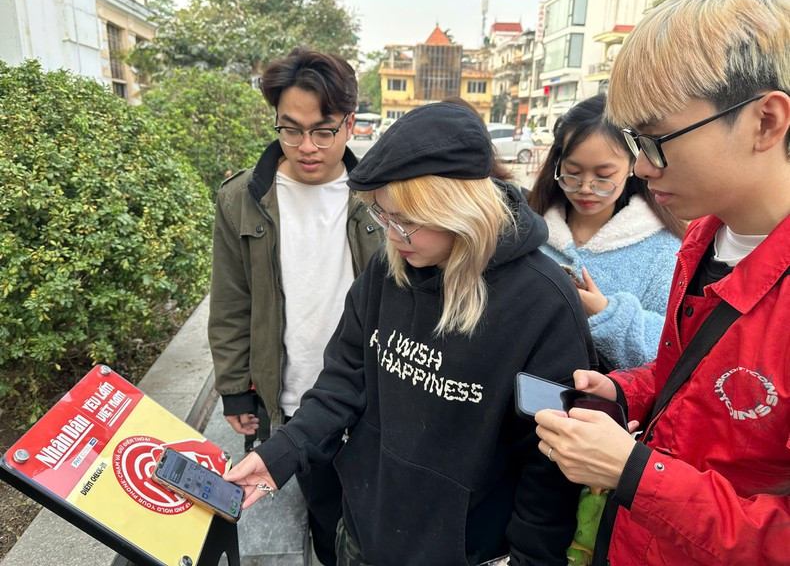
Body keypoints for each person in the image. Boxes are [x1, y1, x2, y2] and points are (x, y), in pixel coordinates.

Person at [224, 102, 598, 565]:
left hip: (468, 549)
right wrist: (280, 455)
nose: (394, 236)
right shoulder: (389, 268)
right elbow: (343, 381)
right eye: (383, 216)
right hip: (365, 526)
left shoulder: (544, 303)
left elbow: (549, 465)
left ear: (460, 209)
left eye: (408, 220)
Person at [535, 0, 790, 564]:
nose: (642, 168)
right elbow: (684, 377)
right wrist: (625, 393)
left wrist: (633, 473)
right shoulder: (704, 236)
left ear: (766, 122)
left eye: (654, 140)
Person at [208, 47, 383, 565]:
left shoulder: (382, 195)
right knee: (325, 515)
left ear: (350, 123)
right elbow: (232, 299)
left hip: (373, 394)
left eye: (323, 130)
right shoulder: (243, 197)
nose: (307, 146)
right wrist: (236, 388)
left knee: (378, 518)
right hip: (291, 399)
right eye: (291, 129)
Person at [528, 94, 685, 371]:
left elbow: (672, 348)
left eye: (604, 175)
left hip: (600, 408)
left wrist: (606, 314)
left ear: (632, 167)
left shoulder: (663, 251)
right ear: (558, 163)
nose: (586, 187)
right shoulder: (529, 230)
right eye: (573, 172)